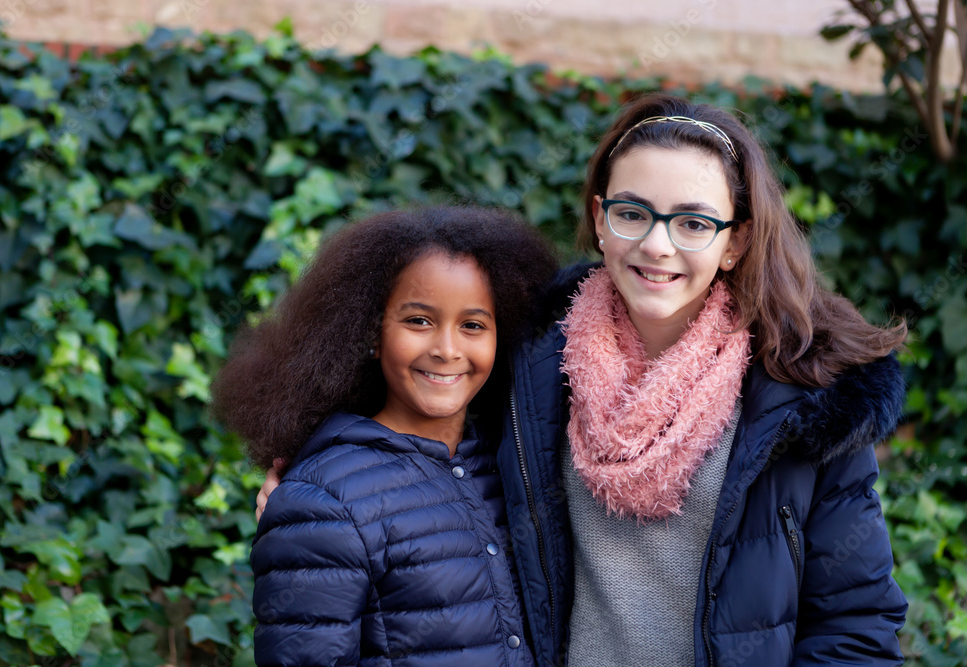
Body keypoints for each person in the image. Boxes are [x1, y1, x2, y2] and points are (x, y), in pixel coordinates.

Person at [257, 94, 909, 666]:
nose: (657, 244)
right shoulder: (537, 357)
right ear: (601, 219)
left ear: (733, 242)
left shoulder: (804, 396)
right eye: (634, 212)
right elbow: (420, 382)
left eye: (692, 222)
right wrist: (311, 471)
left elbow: (856, 620)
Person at [213, 206, 557, 666]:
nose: (446, 350)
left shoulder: (511, 466)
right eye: (419, 321)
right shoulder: (322, 500)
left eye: (473, 325)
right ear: (372, 330)